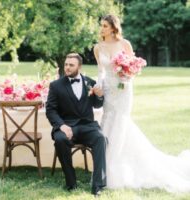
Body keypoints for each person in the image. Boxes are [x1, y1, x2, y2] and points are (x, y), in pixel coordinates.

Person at [94, 14, 190, 192]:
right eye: (102, 26)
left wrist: (127, 74)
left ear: (114, 28)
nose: (102, 29)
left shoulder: (125, 44)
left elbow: (133, 66)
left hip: (124, 89)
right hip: (108, 89)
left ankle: (117, 166)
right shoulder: (98, 47)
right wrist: (98, 84)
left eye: (106, 26)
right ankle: (104, 164)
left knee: (122, 122)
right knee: (108, 120)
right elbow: (101, 70)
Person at [46, 53, 107, 195]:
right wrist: (61, 126)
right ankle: (71, 182)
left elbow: (97, 105)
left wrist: (99, 95)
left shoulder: (90, 82)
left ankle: (97, 185)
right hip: (67, 126)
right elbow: (50, 110)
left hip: (87, 126)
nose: (67, 67)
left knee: (100, 139)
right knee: (60, 139)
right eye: (66, 64)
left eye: (71, 65)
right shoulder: (56, 86)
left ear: (79, 67)